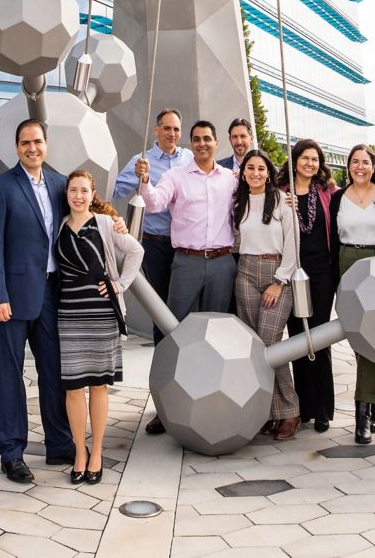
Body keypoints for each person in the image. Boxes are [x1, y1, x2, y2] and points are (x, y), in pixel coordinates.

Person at [0, 119, 76, 483]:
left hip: (53, 293)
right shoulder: (1, 187)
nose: (32, 148)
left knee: (54, 371)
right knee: (10, 374)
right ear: (17, 147)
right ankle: (12, 451)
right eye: (25, 143)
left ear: (46, 144)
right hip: (13, 298)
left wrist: (117, 224)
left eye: (37, 141)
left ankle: (60, 442)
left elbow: (83, 216)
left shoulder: (59, 183)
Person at [136, 120, 237, 435]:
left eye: (208, 138)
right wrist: (145, 181)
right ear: (191, 144)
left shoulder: (231, 180)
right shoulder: (175, 176)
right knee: (173, 336)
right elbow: (154, 203)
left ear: (216, 142)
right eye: (196, 139)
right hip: (187, 263)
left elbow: (256, 201)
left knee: (218, 339)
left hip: (222, 263)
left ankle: (214, 405)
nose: (202, 143)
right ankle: (164, 409)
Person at [57, 170, 144, 484]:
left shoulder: (107, 224)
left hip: (102, 315)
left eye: (84, 190)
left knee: (97, 385)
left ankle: (97, 453)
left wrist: (120, 284)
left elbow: (136, 251)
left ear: (92, 193)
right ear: (66, 194)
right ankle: (79, 451)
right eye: (73, 190)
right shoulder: (59, 227)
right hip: (69, 315)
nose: (78, 196)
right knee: (72, 386)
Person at [232, 150, 299, 440]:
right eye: (250, 168)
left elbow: (293, 244)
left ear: (269, 173)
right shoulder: (239, 203)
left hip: (276, 272)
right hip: (246, 272)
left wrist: (279, 281)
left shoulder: (283, 201)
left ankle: (290, 410)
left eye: (261, 168)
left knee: (271, 344)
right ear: (243, 173)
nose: (256, 173)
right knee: (252, 347)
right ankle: (265, 412)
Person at [113, 109, 192, 349]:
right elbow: (115, 189)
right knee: (160, 305)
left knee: (181, 303)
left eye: (176, 129)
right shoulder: (142, 161)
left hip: (184, 245)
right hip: (156, 243)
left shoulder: (188, 157)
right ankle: (164, 354)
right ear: (156, 130)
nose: (172, 133)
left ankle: (184, 355)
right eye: (167, 128)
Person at [276, 139, 338, 432]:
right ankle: (302, 406)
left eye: (315, 159)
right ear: (295, 160)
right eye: (305, 158)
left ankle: (323, 407)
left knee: (318, 336)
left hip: (321, 272)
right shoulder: (281, 193)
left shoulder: (327, 192)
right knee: (297, 336)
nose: (310, 164)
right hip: (291, 270)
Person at [329, 145, 375, 444]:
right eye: (354, 162)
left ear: (374, 165)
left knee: (373, 333)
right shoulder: (338, 197)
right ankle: (374, 397)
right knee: (356, 334)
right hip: (347, 262)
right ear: (348, 166)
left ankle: (362, 412)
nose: (360, 167)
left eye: (365, 162)